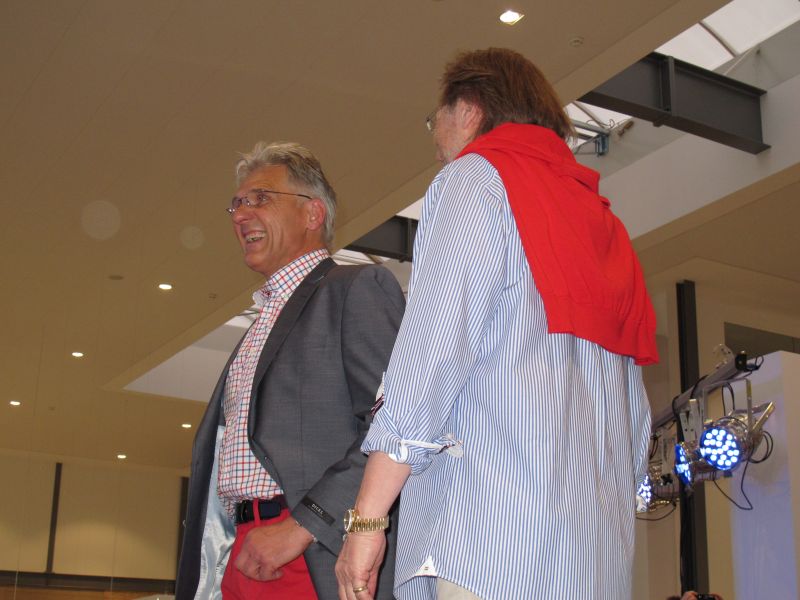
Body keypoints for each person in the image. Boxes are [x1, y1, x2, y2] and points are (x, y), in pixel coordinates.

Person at [335, 48, 657, 600]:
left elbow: (430, 358)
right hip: (594, 556)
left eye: (434, 120)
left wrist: (367, 519)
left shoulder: (475, 179)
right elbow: (633, 413)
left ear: (468, 109)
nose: (436, 139)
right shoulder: (602, 220)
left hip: (492, 540)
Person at [176, 141, 404, 599]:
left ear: (312, 213)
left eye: (259, 199)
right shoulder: (259, 326)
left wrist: (302, 525)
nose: (240, 216)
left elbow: (395, 423)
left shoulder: (355, 289)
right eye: (236, 205)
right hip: (240, 553)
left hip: (313, 553)